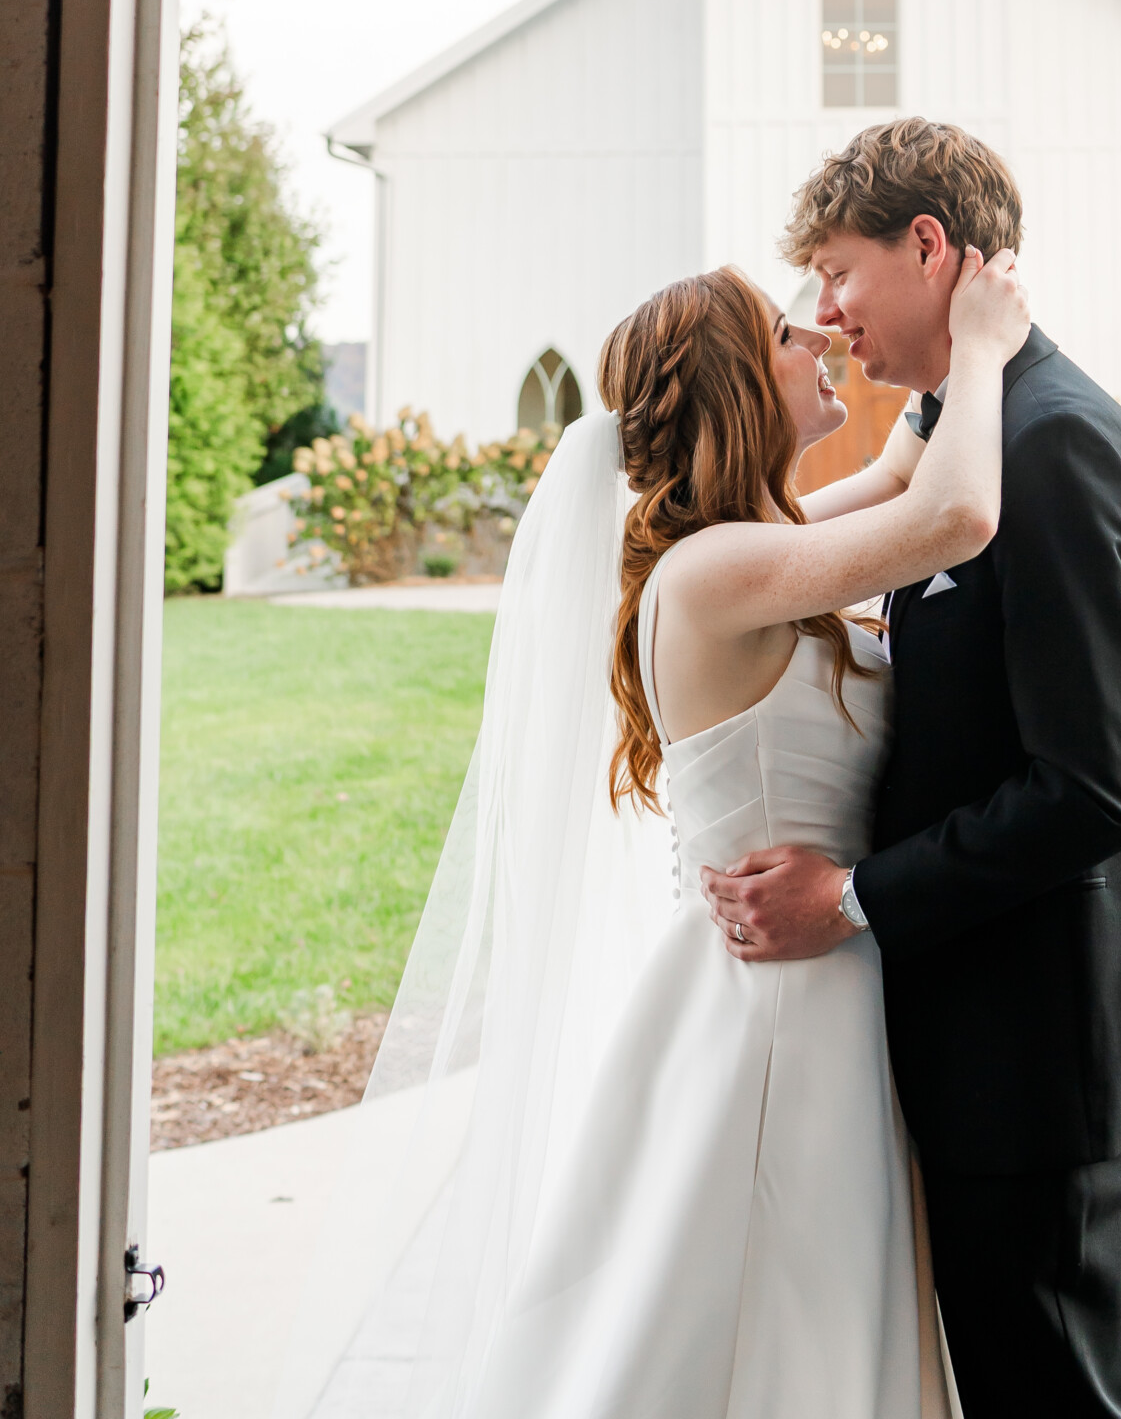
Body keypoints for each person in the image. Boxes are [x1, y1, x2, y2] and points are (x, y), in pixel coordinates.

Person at [280, 248, 1028, 1419]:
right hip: (783, 1007)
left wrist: (936, 357)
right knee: (771, 1322)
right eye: (792, 332)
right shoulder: (718, 569)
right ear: (738, 378)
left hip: (801, 984)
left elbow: (897, 472)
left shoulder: (746, 546)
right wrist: (982, 343)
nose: (821, 338)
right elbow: (956, 513)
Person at [701, 118, 1121, 1419]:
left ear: (928, 247)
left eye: (837, 272)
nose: (828, 312)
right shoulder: (975, 428)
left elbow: (1090, 789)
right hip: (996, 1033)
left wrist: (846, 897)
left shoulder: (1049, 446)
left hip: (1044, 1044)